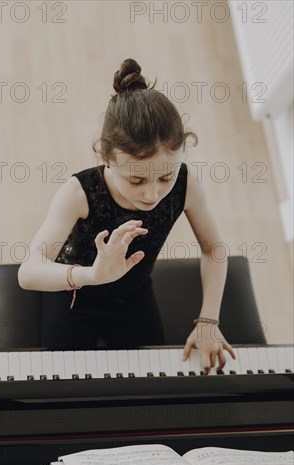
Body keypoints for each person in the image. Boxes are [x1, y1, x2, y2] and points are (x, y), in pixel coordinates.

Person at [18, 58, 235, 374]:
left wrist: (208, 321)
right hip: (74, 295)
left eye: (165, 178)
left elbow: (213, 250)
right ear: (106, 156)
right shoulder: (78, 192)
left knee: (152, 388)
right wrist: (93, 275)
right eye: (136, 180)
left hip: (133, 295)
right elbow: (28, 272)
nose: (152, 194)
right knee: (65, 390)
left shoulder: (186, 185)